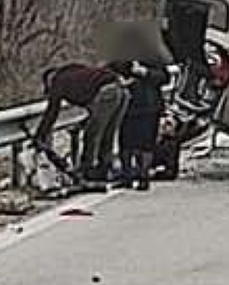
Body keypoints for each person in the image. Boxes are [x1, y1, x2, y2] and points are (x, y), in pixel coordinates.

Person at [33, 63, 128, 185]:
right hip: (121, 90)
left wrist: (40, 134)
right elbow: (89, 99)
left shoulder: (58, 80)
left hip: (107, 92)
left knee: (92, 134)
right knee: (108, 132)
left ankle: (88, 170)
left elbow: (52, 111)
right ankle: (104, 168)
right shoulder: (73, 71)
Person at [110, 60, 170, 190]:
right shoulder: (119, 55)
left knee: (146, 143)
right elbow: (110, 70)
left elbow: (164, 77)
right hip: (127, 104)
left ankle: (144, 175)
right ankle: (126, 176)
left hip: (149, 104)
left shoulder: (151, 56)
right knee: (125, 142)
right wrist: (119, 78)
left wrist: (145, 72)